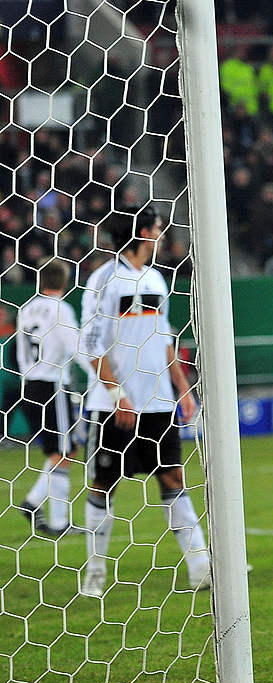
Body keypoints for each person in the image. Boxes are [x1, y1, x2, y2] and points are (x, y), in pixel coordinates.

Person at [78, 205, 207, 597]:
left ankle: (200, 566)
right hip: (114, 404)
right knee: (104, 484)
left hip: (158, 403)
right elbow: (91, 346)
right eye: (156, 227)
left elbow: (164, 338)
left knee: (173, 477)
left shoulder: (156, 278)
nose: (161, 233)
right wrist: (118, 395)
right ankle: (96, 572)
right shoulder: (104, 280)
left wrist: (183, 388)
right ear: (143, 233)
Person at [14, 259, 79, 536]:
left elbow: (18, 350)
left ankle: (40, 507)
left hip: (29, 383)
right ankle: (51, 515)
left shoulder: (26, 309)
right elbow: (75, 346)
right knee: (66, 451)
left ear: (41, 281)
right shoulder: (61, 309)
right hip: (53, 383)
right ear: (65, 282)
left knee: (60, 451)